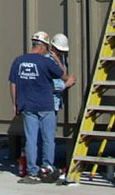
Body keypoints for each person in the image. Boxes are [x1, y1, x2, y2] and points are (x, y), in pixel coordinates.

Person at [9, 31, 76, 184]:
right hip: (46, 106)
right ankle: (46, 168)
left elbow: (13, 84)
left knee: (31, 140)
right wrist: (57, 61)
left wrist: (15, 104)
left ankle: (32, 173)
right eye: (47, 47)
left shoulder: (19, 61)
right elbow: (63, 76)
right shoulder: (46, 62)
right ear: (42, 46)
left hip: (28, 106)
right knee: (48, 139)